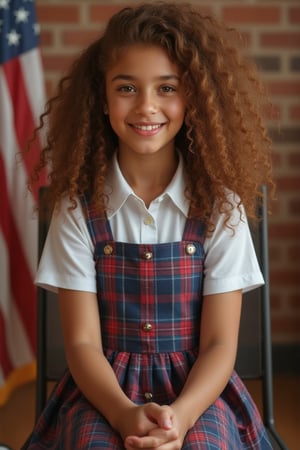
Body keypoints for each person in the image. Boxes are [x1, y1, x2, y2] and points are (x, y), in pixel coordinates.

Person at [25, 2, 275, 449]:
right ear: (102, 98)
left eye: (167, 88)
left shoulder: (220, 208)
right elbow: (82, 344)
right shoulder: (77, 209)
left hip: (197, 394)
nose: (146, 106)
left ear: (193, 98)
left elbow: (219, 344)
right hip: (102, 393)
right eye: (126, 87)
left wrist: (178, 418)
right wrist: (123, 414)